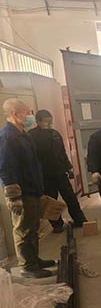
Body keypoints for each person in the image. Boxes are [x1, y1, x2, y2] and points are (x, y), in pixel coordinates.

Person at [0, 99, 55, 278]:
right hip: (21, 192)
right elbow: (6, 168)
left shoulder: (23, 134)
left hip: (32, 189)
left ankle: (34, 260)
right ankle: (27, 266)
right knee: (23, 229)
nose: (30, 115)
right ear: (15, 114)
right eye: (26, 112)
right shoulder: (7, 137)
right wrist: (14, 197)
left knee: (33, 228)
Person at [29, 110, 87, 233]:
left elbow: (62, 152)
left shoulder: (54, 134)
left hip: (60, 173)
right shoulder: (31, 136)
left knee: (71, 198)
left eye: (50, 120)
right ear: (38, 121)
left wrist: (68, 167)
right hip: (45, 175)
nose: (49, 123)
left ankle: (79, 220)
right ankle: (57, 225)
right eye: (46, 121)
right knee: (51, 201)